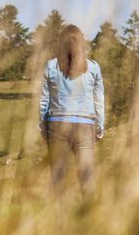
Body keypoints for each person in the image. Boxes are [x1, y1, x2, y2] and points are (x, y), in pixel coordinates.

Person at [39, 24, 105, 194]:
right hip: (85, 125)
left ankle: (57, 218)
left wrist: (42, 125)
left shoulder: (51, 66)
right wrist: (100, 126)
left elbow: (44, 100)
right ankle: (90, 218)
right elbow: (98, 100)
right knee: (87, 177)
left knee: (57, 176)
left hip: (57, 124)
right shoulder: (93, 67)